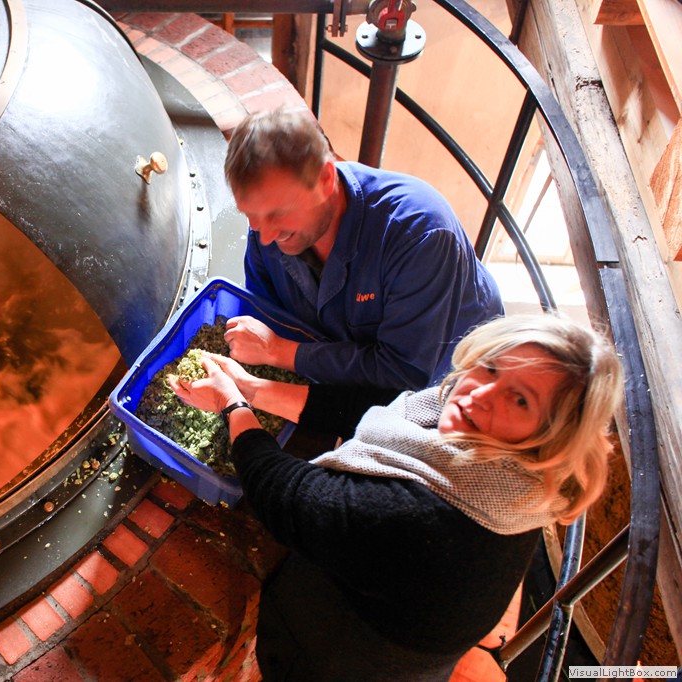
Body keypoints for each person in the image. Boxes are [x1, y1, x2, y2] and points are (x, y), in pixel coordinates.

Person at [168, 314, 623, 681]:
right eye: (491, 367)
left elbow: (284, 497)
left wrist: (232, 406)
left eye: (520, 400)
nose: (481, 393)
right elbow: (370, 410)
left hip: (344, 659)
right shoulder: (502, 459)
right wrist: (252, 388)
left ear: (552, 435)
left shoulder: (421, 516)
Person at [223, 107, 504, 390]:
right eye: (250, 214)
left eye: (278, 213)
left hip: (450, 376)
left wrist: (281, 352)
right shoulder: (267, 227)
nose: (266, 236)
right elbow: (266, 314)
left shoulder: (420, 236)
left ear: (326, 179)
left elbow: (404, 373)